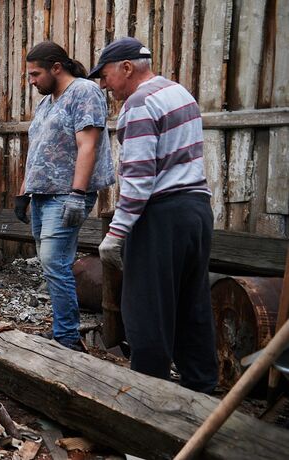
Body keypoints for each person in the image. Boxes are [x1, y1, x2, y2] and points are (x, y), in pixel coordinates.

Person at [89, 37, 218, 393]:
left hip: (161, 215)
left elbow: (139, 179)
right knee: (192, 305)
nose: (104, 84)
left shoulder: (139, 104)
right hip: (196, 210)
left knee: (146, 312)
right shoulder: (180, 93)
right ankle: (202, 391)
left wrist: (115, 234)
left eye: (106, 75)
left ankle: (150, 402)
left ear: (127, 67)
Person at [16, 41, 116, 352]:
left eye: (35, 74)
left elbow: (88, 145)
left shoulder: (84, 92)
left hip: (66, 194)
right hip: (42, 195)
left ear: (56, 68)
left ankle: (68, 338)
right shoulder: (47, 103)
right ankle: (64, 330)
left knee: (54, 261)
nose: (32, 81)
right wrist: (23, 192)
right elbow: (37, 151)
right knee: (51, 263)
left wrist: (77, 194)